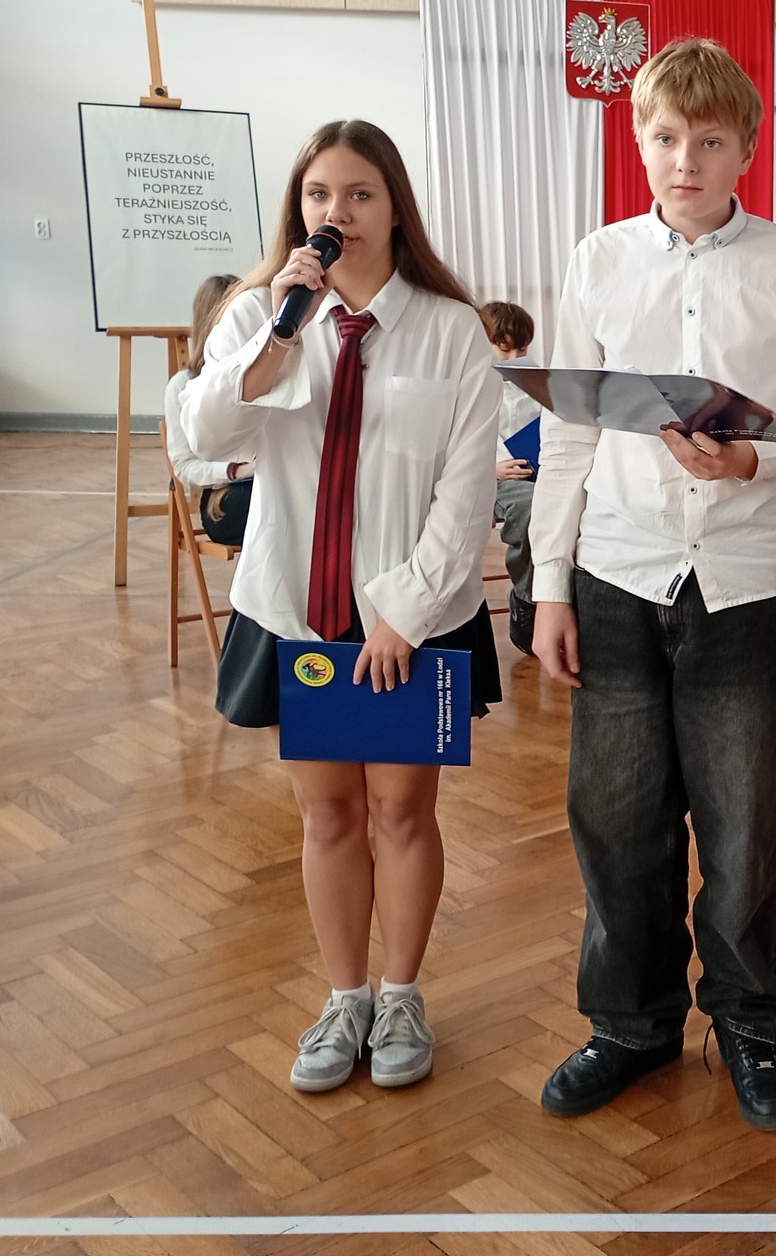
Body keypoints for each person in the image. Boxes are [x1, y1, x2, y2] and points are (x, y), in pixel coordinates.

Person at [528, 39, 776, 1132]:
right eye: (666, 138)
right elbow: (568, 435)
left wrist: (752, 459)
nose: (685, 160)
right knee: (616, 823)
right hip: (617, 574)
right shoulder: (598, 262)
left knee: (745, 831)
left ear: (744, 151)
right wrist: (548, 587)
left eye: (709, 141)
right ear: (640, 142)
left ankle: (751, 1024)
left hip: (747, 585)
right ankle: (631, 1024)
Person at [182, 119, 503, 1096]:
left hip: (411, 615)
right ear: (298, 210)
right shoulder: (257, 316)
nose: (337, 213)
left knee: (401, 811)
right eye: (319, 195)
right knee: (327, 815)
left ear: (394, 207)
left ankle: (400, 995)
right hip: (297, 610)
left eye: (359, 193)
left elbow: (466, 490)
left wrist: (404, 611)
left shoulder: (449, 329)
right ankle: (344, 997)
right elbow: (202, 441)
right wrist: (277, 337)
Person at [163, 273, 253, 546]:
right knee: (281, 504)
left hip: (270, 482)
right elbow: (184, 466)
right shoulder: (183, 385)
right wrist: (235, 470)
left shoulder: (265, 369)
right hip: (225, 497)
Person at [479, 299, 542, 655]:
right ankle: (527, 597)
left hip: (536, 472)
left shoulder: (534, 383)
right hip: (491, 477)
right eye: (504, 350)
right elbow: (449, 448)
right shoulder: (471, 384)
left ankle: (567, 598)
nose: (514, 357)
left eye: (521, 350)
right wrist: (492, 469)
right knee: (531, 507)